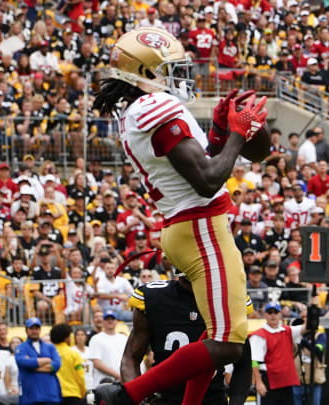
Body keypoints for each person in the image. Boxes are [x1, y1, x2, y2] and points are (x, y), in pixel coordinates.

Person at [93, 27, 268, 405]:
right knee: (227, 342)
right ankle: (128, 395)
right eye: (170, 69)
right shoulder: (156, 107)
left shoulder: (139, 111)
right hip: (201, 224)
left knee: (215, 334)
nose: (180, 77)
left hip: (189, 225)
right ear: (145, 71)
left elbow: (202, 165)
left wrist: (221, 134)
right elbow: (207, 180)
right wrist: (236, 137)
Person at [123, 274, 253, 405]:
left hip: (213, 399)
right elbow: (131, 357)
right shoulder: (154, 297)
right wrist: (135, 397)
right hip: (165, 399)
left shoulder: (229, 298)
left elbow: (243, 363)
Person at [250, 302, 308, 405]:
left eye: (276, 312)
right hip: (268, 381)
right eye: (270, 312)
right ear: (265, 315)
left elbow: (306, 328)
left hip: (286, 381)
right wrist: (258, 383)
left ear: (280, 314)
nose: (273, 315)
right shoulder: (259, 335)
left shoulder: (287, 331)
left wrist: (310, 311)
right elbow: (254, 361)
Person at [14, 317, 62, 405]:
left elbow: (57, 364)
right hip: (30, 396)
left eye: (36, 328)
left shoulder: (50, 347)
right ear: (26, 330)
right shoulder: (21, 348)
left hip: (50, 394)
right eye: (31, 328)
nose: (34, 331)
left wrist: (33, 367)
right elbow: (23, 362)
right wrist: (47, 360)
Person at [50, 323, 86, 405]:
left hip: (52, 395)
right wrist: (83, 391)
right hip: (72, 394)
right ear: (66, 338)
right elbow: (80, 376)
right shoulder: (74, 354)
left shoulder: (48, 353)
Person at [89, 310, 127, 385]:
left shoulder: (123, 338)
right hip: (103, 383)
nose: (110, 321)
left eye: (112, 319)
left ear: (117, 322)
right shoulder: (96, 338)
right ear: (103, 322)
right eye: (107, 319)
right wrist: (118, 376)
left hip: (122, 382)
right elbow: (97, 363)